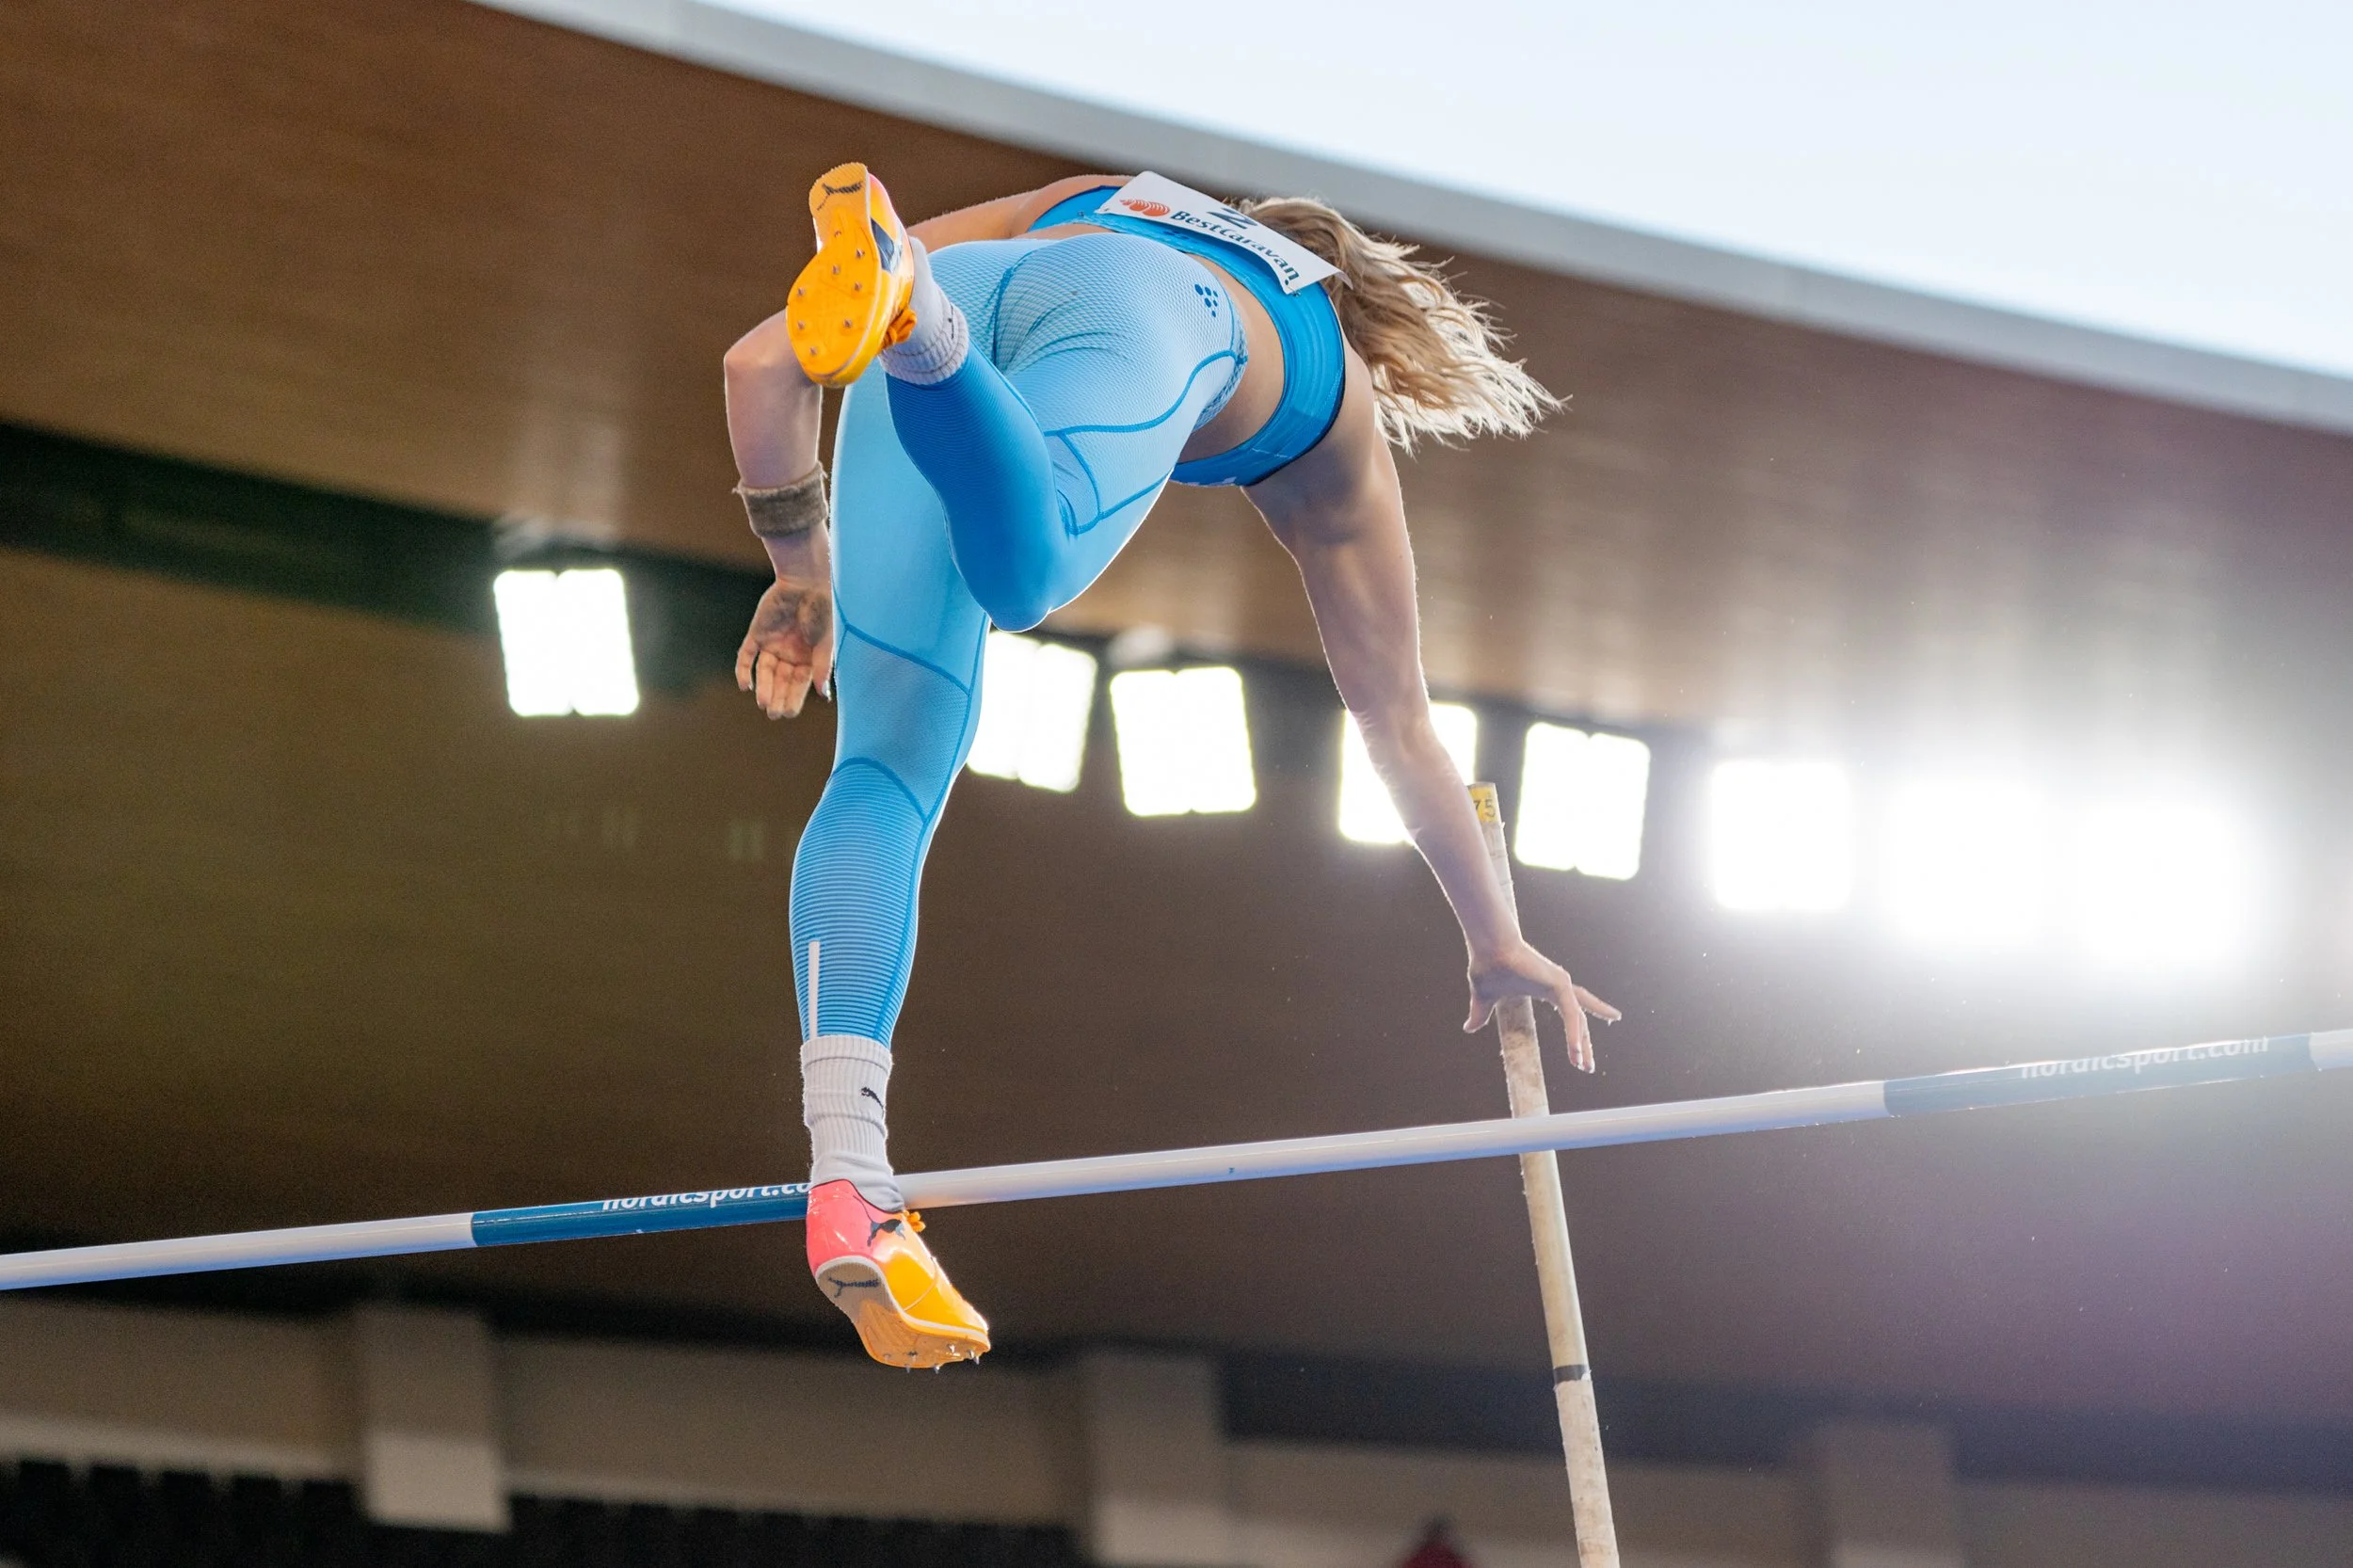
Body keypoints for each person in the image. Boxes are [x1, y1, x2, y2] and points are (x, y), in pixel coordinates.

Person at [723, 164, 1619, 1369]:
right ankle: (925, 337)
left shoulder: (1105, 191)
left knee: (880, 771)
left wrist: (802, 568)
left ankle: (851, 1179)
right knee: (1023, 574)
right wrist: (1492, 930)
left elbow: (756, 364)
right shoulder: (1334, 403)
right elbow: (1395, 718)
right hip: (1138, 318)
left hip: (981, 280)